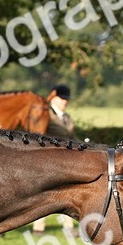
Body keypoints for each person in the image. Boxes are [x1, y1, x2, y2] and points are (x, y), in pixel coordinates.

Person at [33, 84, 76, 233]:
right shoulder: (46, 115)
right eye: (62, 98)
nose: (65, 102)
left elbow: (72, 137)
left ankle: (68, 227)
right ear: (54, 98)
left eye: (66, 99)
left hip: (66, 160)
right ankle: (38, 227)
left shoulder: (66, 117)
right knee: (44, 193)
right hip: (49, 159)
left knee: (67, 192)